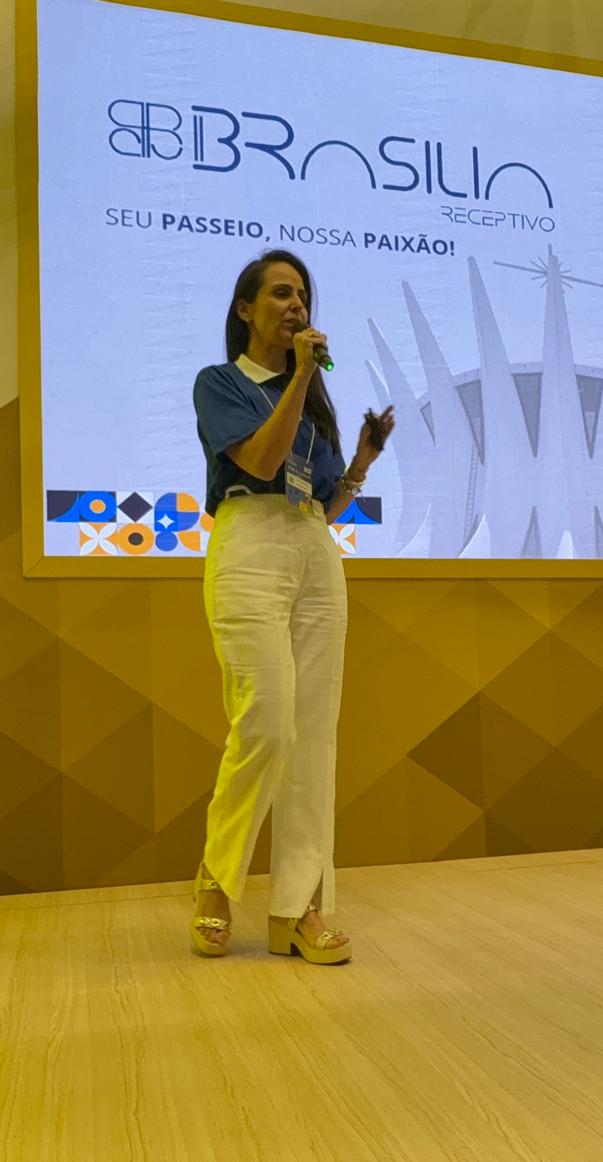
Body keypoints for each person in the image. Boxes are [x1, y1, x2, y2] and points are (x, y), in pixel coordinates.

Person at [190, 249, 394, 964]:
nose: (296, 305)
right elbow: (260, 463)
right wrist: (302, 376)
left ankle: (298, 908)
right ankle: (217, 880)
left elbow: (324, 503)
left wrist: (362, 459)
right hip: (249, 542)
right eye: (280, 293)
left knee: (313, 737)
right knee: (267, 724)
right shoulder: (221, 383)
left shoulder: (312, 403)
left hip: (313, 548)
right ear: (245, 308)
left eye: (302, 294)